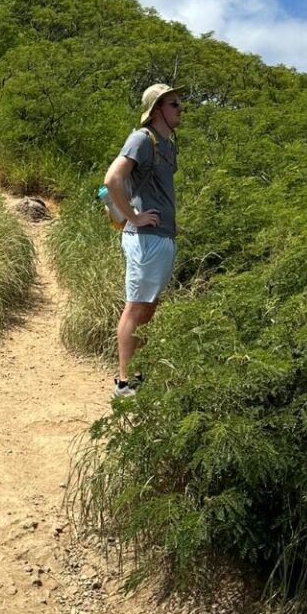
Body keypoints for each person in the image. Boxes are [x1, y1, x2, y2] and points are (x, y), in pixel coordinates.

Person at [102, 83, 182, 397]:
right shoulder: (142, 139)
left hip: (159, 237)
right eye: (174, 103)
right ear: (158, 108)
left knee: (148, 308)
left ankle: (135, 374)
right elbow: (113, 179)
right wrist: (133, 218)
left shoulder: (167, 145)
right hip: (145, 238)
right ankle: (124, 382)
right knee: (136, 308)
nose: (180, 108)